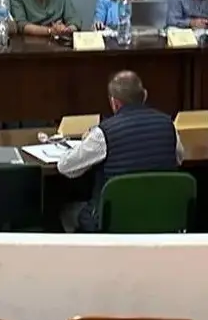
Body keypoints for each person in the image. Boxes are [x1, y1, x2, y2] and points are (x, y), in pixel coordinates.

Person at [58, 71, 185, 231]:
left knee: (66, 211)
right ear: (144, 95)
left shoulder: (103, 134)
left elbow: (65, 167)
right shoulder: (168, 125)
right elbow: (179, 158)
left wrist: (86, 142)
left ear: (114, 103)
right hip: (161, 216)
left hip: (114, 221)